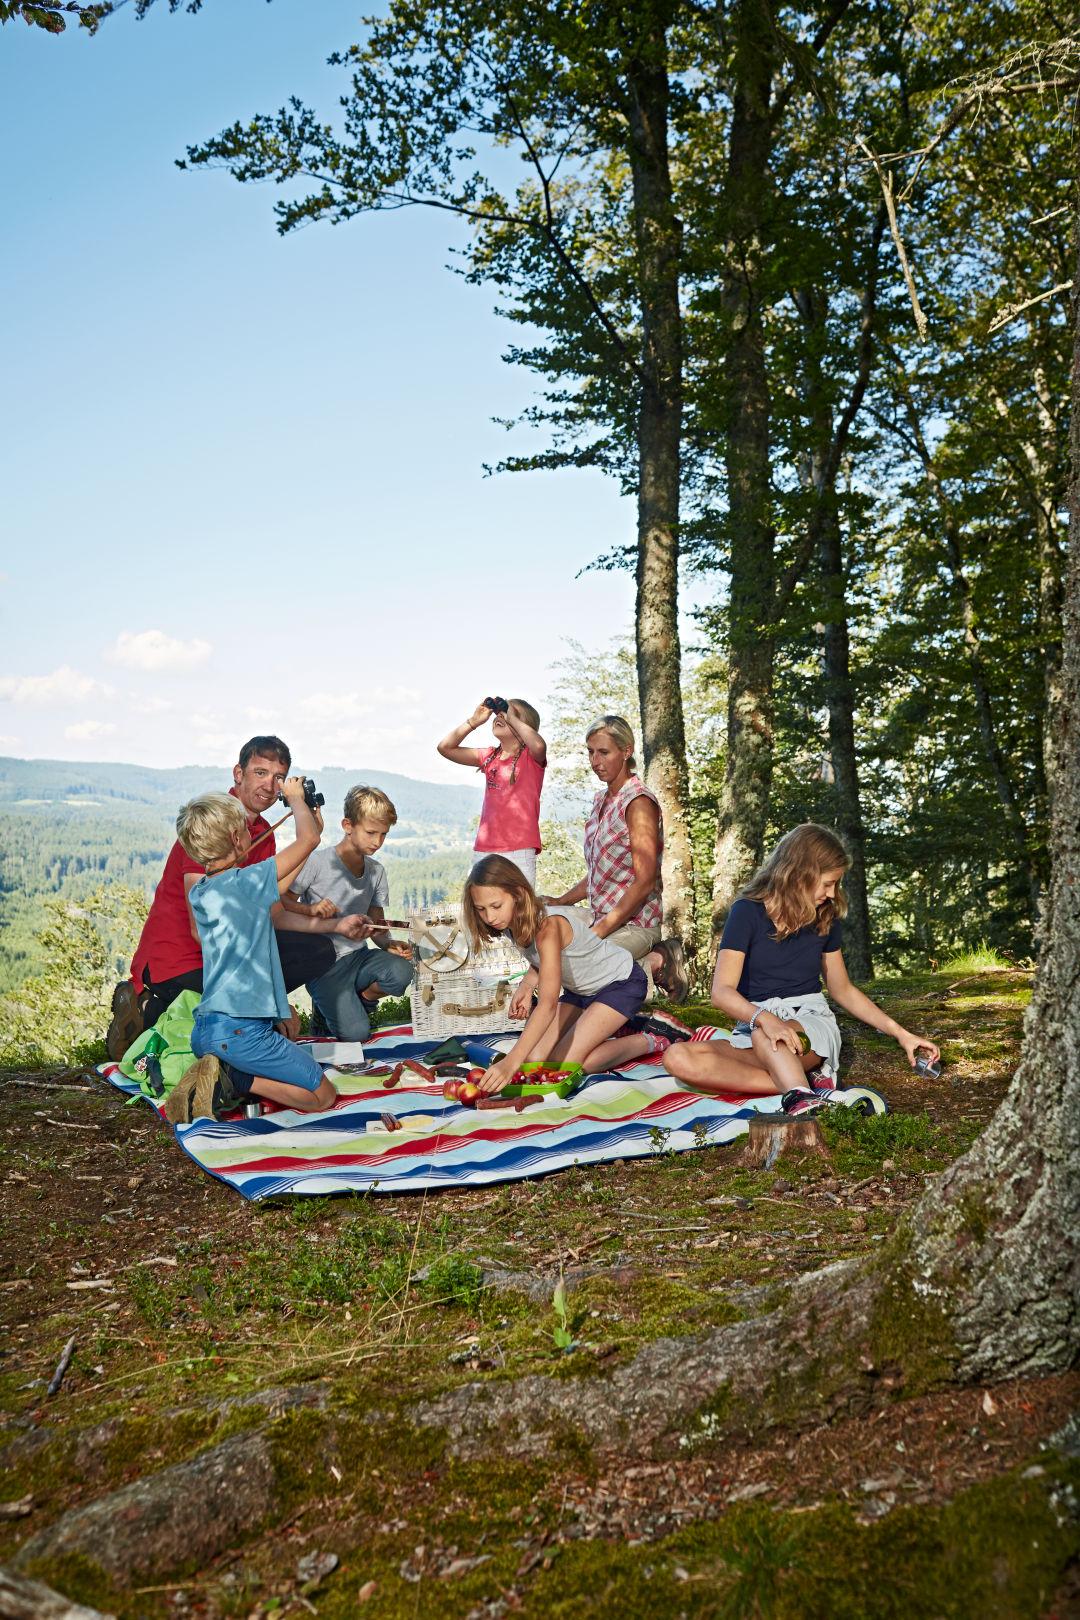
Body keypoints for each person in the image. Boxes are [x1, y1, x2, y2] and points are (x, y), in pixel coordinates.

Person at [107, 736, 359, 1058]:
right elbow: (201, 931)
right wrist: (265, 1002)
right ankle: (150, 1008)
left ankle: (231, 1018)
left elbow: (273, 911)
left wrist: (336, 926)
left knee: (316, 950)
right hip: (179, 959)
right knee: (252, 1030)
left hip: (226, 952)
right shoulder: (210, 825)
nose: (270, 786)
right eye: (260, 773)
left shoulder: (262, 833)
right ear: (238, 773)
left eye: (279, 778)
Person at [663, 824, 940, 1115]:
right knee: (677, 1057)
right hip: (756, 1026)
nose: (832, 894)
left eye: (835, 884)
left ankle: (801, 1101)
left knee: (767, 1037)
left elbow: (843, 990)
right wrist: (765, 1018)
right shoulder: (746, 912)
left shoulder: (826, 917)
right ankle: (801, 1086)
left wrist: (901, 1034)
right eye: (827, 883)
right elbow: (721, 992)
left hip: (809, 1024)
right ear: (800, 874)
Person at [164, 780, 338, 1123]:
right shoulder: (244, 883)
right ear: (235, 838)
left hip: (209, 1029)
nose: (249, 833)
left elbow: (278, 882)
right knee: (322, 1096)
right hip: (241, 1034)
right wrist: (295, 799)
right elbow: (308, 840)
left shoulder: (204, 892)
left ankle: (224, 1072)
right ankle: (233, 1079)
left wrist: (309, 826)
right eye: (245, 829)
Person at [463, 855, 668, 1092]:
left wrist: (510, 1061)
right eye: (481, 909)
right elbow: (541, 958)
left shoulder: (548, 927)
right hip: (580, 992)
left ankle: (655, 1037)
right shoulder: (510, 922)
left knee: (565, 1065)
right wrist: (527, 985)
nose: (490, 917)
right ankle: (605, 1024)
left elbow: (547, 1005)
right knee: (534, 1059)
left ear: (518, 894)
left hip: (620, 984)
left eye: (496, 906)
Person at [546, 715, 688, 1003]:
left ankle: (659, 960)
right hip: (602, 916)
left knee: (588, 966)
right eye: (590, 752)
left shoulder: (639, 802)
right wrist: (561, 901)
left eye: (604, 752)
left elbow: (644, 881)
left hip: (637, 923)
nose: (595, 761)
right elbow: (599, 872)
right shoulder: (600, 800)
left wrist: (598, 932)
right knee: (548, 931)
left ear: (626, 751)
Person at [290, 785, 415, 1041]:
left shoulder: (376, 871)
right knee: (357, 1035)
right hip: (323, 966)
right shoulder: (317, 862)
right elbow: (283, 903)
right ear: (347, 825)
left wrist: (389, 943)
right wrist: (310, 909)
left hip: (359, 958)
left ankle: (358, 1001)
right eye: (370, 833)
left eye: (383, 834)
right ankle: (331, 1014)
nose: (377, 842)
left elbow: (377, 923)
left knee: (403, 971)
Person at [436, 696, 546, 884]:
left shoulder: (531, 758)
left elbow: (539, 745)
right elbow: (445, 748)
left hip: (519, 849)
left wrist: (511, 718)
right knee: (479, 900)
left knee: (520, 902)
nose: (500, 716)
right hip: (485, 848)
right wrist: (473, 722)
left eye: (509, 713)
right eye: (499, 713)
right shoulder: (489, 756)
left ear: (524, 726)